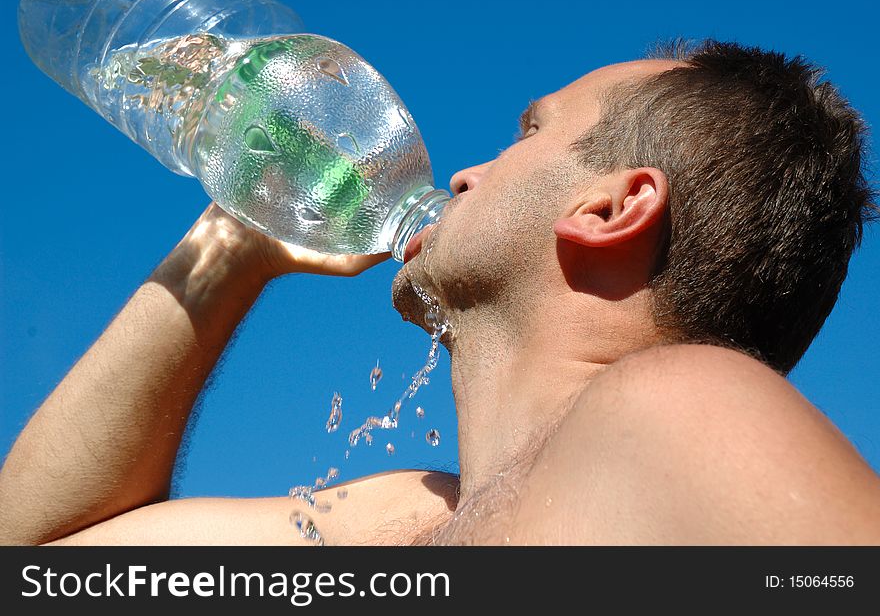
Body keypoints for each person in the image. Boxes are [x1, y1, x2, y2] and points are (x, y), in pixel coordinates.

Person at [2, 40, 879, 545]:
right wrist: (229, 247)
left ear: (613, 207)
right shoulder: (411, 520)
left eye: (530, 131)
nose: (464, 173)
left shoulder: (680, 409)